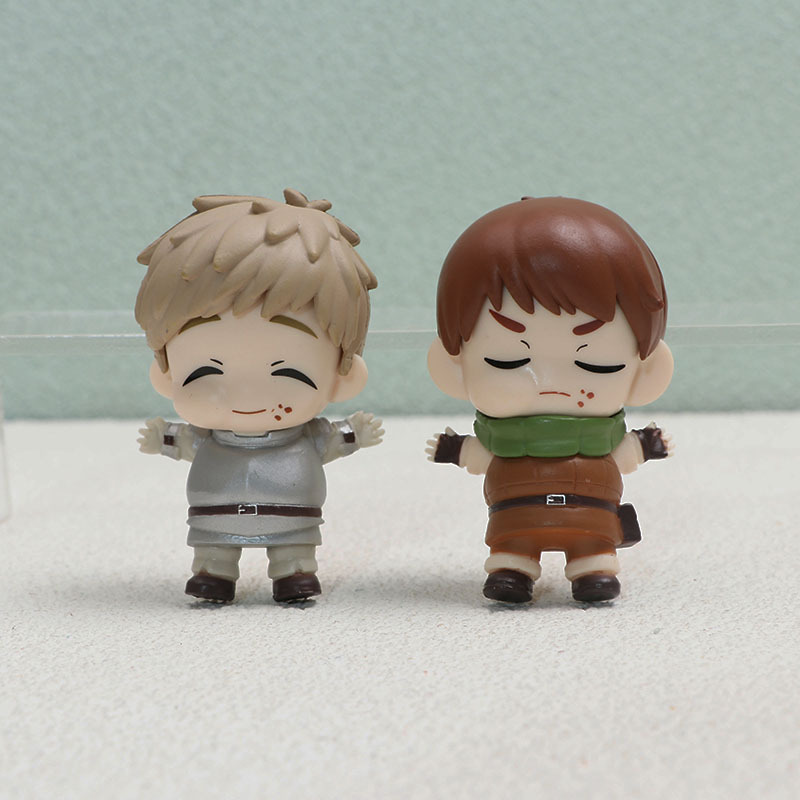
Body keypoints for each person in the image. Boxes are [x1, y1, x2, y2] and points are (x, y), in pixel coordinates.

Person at [135, 190, 382, 604]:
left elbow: (331, 440)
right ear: (166, 373)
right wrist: (161, 438)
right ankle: (213, 571)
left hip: (293, 517)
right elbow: (185, 441)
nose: (245, 393)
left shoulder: (305, 437)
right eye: (206, 371)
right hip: (214, 517)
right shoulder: (208, 437)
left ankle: (294, 571)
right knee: (213, 547)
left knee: (294, 548)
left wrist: (355, 433)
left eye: (287, 372)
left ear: (343, 376)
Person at [426, 196, 673, 603]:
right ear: (454, 365)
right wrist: (456, 450)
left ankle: (593, 569)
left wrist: (646, 445)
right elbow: (481, 455)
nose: (548, 384)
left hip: (593, 518)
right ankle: (512, 568)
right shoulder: (500, 440)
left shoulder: (603, 439)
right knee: (511, 546)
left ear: (646, 370)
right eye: (508, 360)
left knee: (593, 547)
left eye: (594, 364)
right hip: (513, 517)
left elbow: (623, 454)